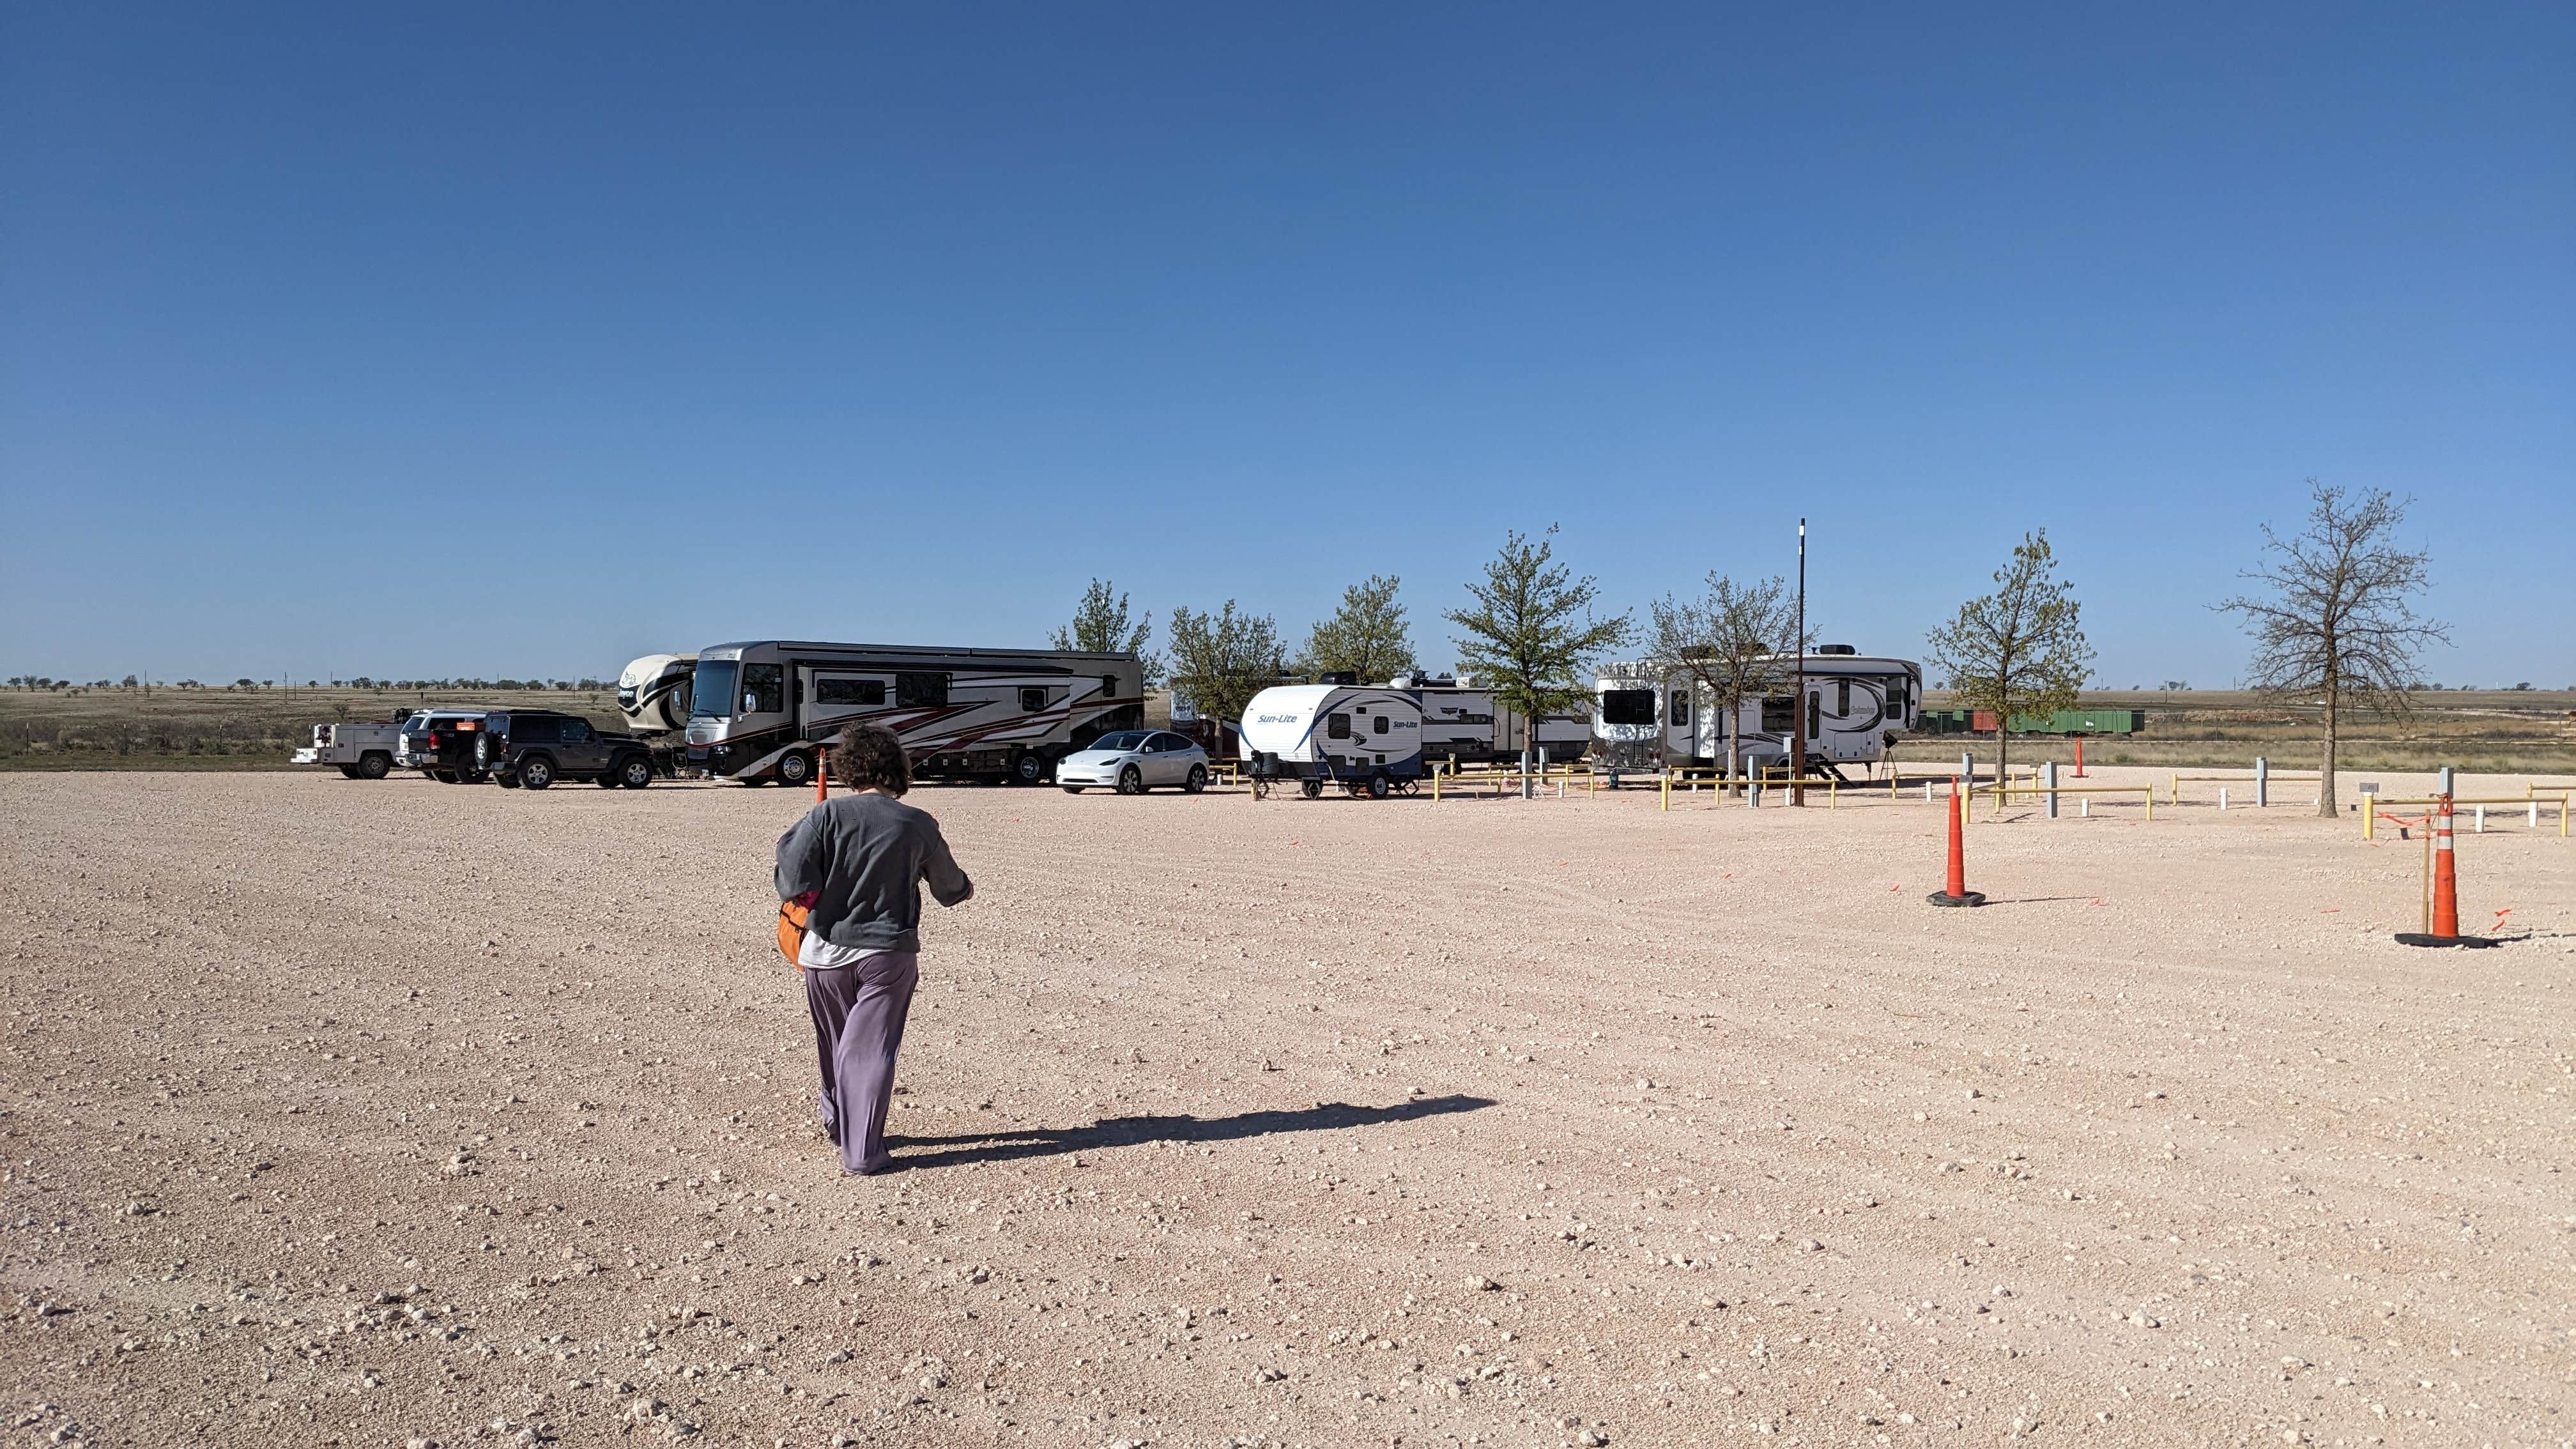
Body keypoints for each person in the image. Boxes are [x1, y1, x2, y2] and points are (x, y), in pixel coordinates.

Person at [775, 724, 973, 1174]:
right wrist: (965, 890)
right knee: (868, 1050)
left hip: (824, 951)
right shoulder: (917, 823)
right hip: (887, 954)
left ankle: (839, 1123)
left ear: (850, 769)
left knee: (837, 1043)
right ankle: (862, 1151)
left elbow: (790, 874)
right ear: (898, 770)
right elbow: (949, 887)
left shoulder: (825, 816)